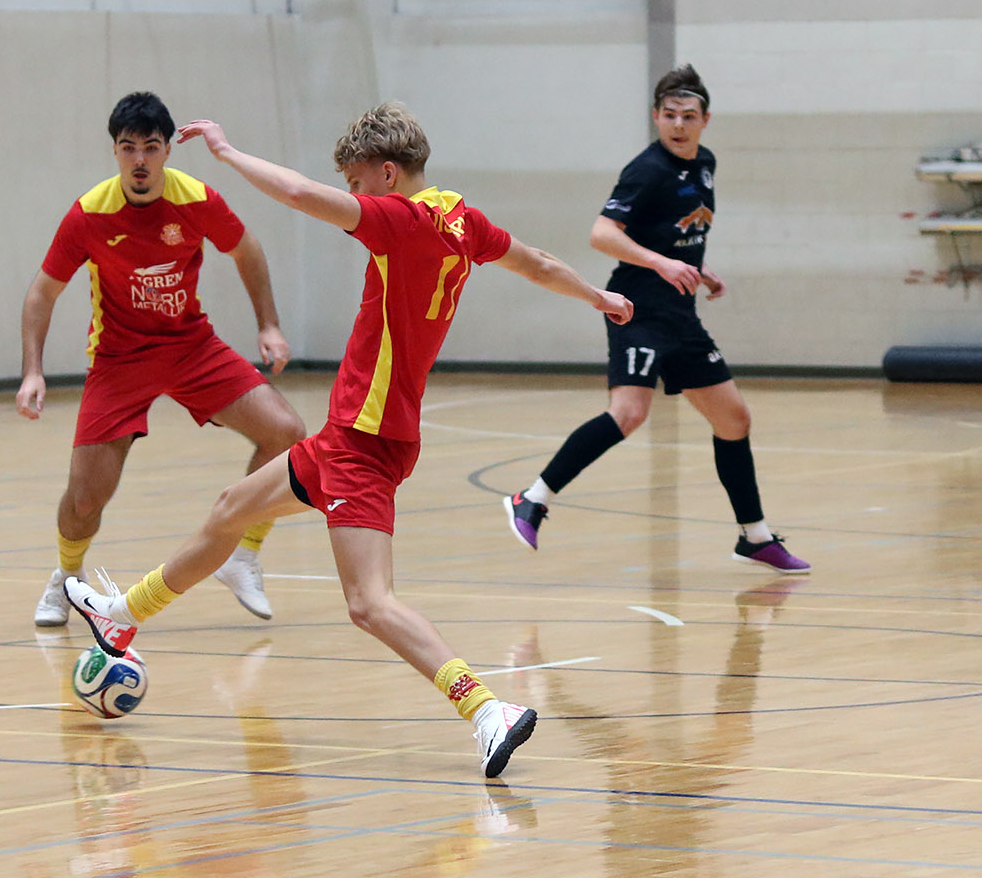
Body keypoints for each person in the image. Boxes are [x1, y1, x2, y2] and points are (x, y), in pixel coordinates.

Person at [64, 103, 634, 778]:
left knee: (369, 603)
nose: (355, 195)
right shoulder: (461, 218)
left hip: (365, 441)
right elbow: (536, 263)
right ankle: (123, 617)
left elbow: (299, 193)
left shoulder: (399, 221)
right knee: (229, 511)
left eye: (358, 183)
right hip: (352, 435)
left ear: (388, 175)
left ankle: (488, 710)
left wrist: (226, 152)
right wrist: (596, 296)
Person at [501, 65, 809, 574]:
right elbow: (602, 234)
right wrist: (663, 265)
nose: (678, 125)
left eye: (688, 116)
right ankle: (532, 499)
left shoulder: (704, 163)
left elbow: (672, 232)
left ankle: (754, 538)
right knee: (628, 413)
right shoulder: (647, 169)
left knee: (733, 420)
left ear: (705, 120)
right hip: (637, 307)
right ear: (656, 117)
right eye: (669, 116)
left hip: (680, 314)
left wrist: (696, 270)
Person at [18, 92, 306, 627]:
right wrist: (33, 371)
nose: (140, 160)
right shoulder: (90, 213)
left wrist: (268, 324)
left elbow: (247, 251)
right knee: (85, 500)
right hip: (119, 359)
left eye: (151, 147)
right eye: (129, 148)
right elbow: (42, 293)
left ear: (168, 151)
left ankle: (242, 555)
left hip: (191, 346)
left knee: (287, 433)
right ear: (115, 151)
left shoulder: (196, 199)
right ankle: (67, 578)